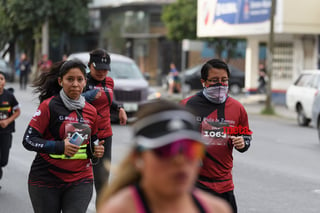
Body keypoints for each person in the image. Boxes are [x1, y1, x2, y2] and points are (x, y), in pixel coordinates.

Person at [97, 99, 232, 213]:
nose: (180, 160)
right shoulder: (118, 210)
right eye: (165, 150)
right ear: (137, 157)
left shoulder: (217, 209)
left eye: (191, 148)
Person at [22, 60, 105, 213]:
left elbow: (93, 143)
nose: (75, 84)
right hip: (46, 179)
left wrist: (96, 151)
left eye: (80, 79)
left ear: (85, 82)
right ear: (60, 81)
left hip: (81, 180)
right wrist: (61, 147)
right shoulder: (48, 106)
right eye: (70, 79)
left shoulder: (91, 111)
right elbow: (28, 140)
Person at [181, 58, 252, 213]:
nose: (220, 85)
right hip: (195, 184)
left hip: (224, 186)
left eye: (224, 80)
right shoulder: (187, 106)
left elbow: (245, 136)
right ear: (204, 82)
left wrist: (243, 142)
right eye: (214, 80)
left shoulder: (237, 109)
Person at [81, 48, 127, 202]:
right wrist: (87, 96)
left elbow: (109, 99)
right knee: (82, 181)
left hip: (105, 135)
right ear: (89, 65)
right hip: (85, 135)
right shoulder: (81, 81)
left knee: (103, 183)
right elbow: (71, 101)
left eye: (105, 69)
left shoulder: (109, 82)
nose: (102, 73)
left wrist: (119, 108)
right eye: (98, 68)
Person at [0, 71, 20, 189]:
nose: (0, 81)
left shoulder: (9, 96)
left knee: (3, 160)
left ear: (5, 81)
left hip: (6, 132)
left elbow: (17, 111)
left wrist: (7, 121)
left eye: (1, 78)